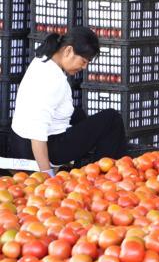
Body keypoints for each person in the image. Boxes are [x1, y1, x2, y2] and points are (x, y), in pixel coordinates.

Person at [8, 26, 127, 177]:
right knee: (112, 119)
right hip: (40, 149)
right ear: (68, 51)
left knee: (78, 114)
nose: (84, 67)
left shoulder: (43, 59)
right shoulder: (52, 80)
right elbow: (37, 133)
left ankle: (83, 164)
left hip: (18, 140)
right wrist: (47, 175)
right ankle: (101, 176)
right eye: (83, 61)